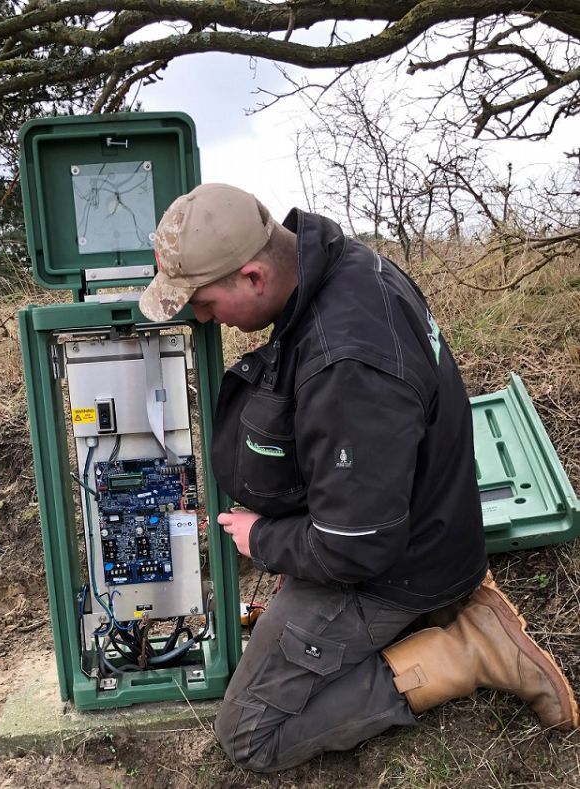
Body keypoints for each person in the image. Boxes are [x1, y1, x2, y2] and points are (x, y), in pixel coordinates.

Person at [138, 183, 579, 772]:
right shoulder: (344, 265)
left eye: (204, 302)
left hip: (394, 570)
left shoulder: (348, 362)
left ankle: (468, 652)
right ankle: (451, 613)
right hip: (428, 526)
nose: (200, 316)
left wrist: (264, 539)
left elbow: (358, 546)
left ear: (252, 277)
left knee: (249, 735)